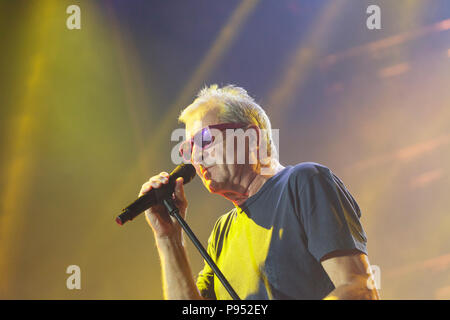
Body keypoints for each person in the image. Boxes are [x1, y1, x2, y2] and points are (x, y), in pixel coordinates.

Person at [139, 84, 380, 300]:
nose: (195, 156)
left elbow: (358, 289)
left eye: (204, 139)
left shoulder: (303, 182)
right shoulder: (221, 233)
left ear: (250, 137)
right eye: (188, 148)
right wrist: (168, 238)